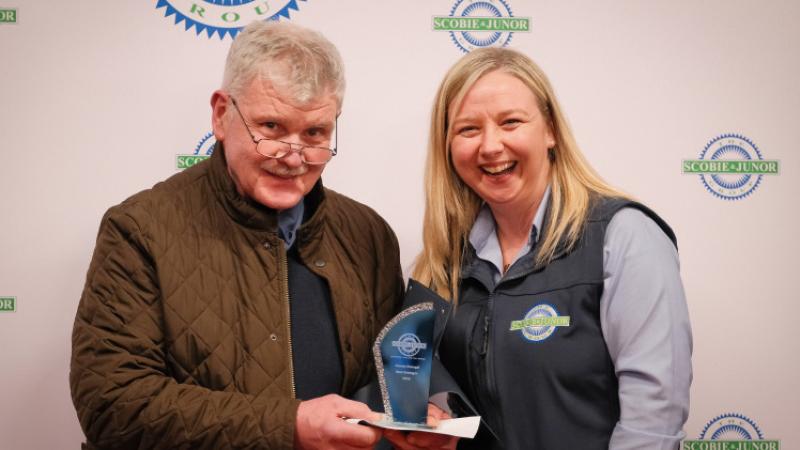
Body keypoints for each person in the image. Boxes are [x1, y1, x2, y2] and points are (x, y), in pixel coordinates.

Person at [70, 21, 404, 450]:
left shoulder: (369, 234)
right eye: (271, 127)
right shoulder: (139, 230)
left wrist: (412, 418)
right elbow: (113, 406)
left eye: (315, 133)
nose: (294, 157)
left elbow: (387, 384)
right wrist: (289, 425)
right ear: (221, 115)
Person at [407, 47, 692, 449]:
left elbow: (653, 422)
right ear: (448, 147)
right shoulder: (444, 261)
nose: (490, 146)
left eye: (511, 122)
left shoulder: (624, 236)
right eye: (468, 129)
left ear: (550, 130)